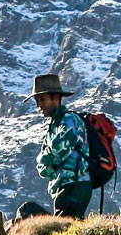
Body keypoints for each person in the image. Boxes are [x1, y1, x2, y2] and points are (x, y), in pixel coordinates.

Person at [29, 73, 92, 219]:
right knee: (68, 229)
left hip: (74, 185)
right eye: (37, 101)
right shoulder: (55, 124)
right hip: (64, 186)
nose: (39, 105)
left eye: (42, 99)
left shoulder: (69, 120)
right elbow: (43, 168)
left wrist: (41, 158)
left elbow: (56, 154)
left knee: (66, 229)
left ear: (56, 98)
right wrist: (45, 161)